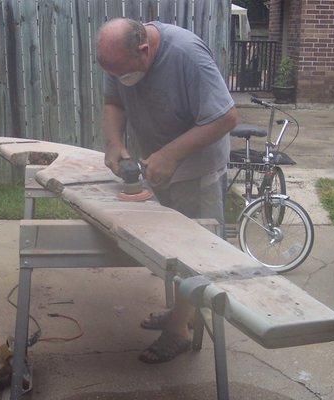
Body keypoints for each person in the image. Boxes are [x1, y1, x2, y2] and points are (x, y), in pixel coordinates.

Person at [96, 18, 237, 363]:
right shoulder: (116, 57)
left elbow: (226, 117)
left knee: (194, 251)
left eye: (122, 72)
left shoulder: (187, 55)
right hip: (159, 164)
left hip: (196, 166)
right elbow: (113, 102)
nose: (118, 77)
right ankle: (181, 313)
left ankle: (178, 332)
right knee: (168, 247)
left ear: (143, 51)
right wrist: (114, 143)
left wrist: (171, 155)